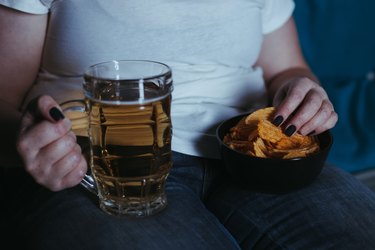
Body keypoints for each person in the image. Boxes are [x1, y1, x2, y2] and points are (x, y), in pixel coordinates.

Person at [0, 0, 374, 249]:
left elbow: (287, 68)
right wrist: (31, 141)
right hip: (106, 163)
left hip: (254, 154)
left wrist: (302, 89)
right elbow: (5, 99)